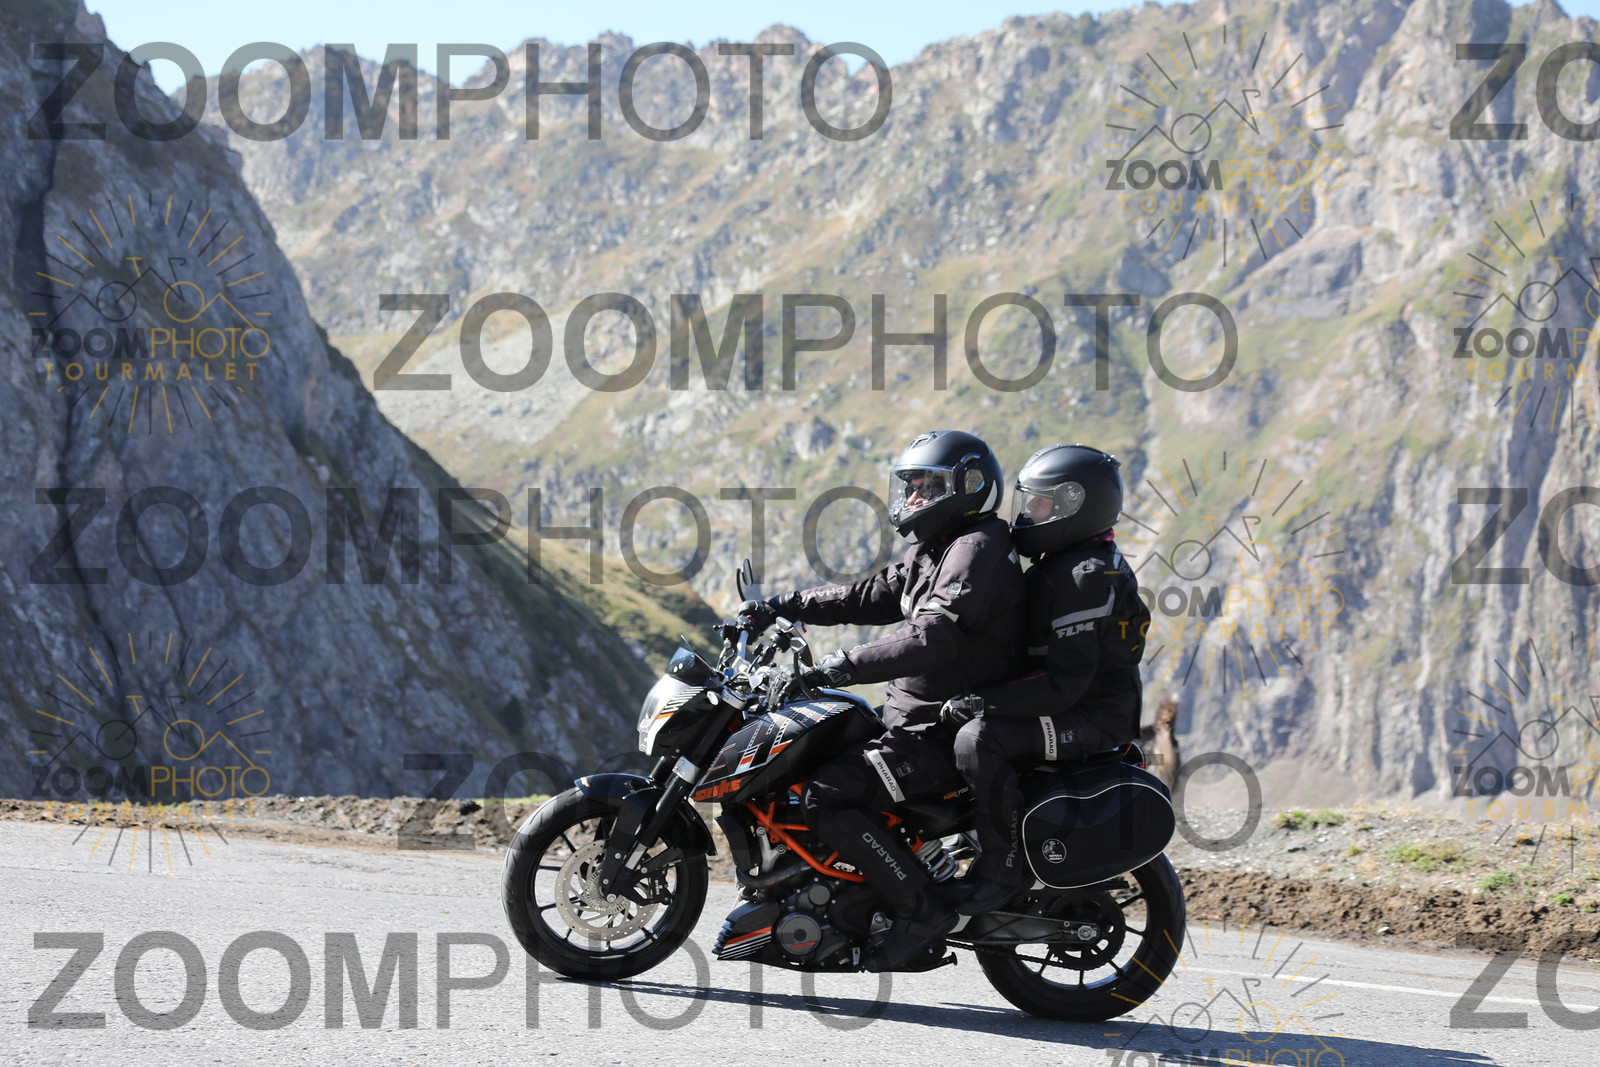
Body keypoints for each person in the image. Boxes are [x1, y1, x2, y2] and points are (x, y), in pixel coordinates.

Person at [738, 429, 1025, 970]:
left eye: (927, 486)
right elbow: (867, 594)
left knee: (827, 795)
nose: (913, 496)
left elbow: (933, 638)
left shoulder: (977, 551)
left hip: (940, 733)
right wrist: (783, 605)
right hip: (911, 720)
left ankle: (920, 910)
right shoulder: (938, 548)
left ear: (968, 486)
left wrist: (839, 665)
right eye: (910, 485)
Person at [940, 443, 1151, 915]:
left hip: (1092, 717)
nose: (1028, 512)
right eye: (1029, 500)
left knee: (979, 740)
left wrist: (981, 701)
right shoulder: (1067, 563)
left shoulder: (1083, 577)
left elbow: (1062, 684)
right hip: (1073, 704)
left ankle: (1003, 868)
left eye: (1041, 503)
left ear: (1076, 506)